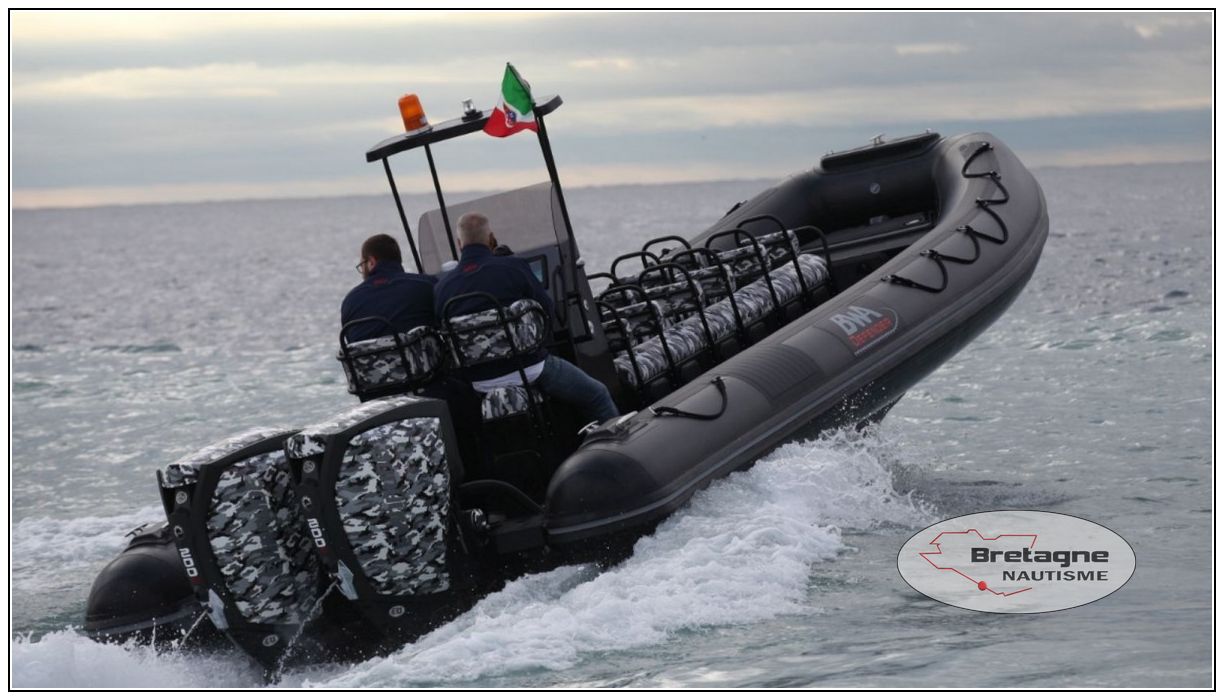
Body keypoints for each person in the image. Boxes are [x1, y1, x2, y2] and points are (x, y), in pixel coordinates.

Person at [435, 212, 619, 425]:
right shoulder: (513, 267)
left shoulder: (442, 288)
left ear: (459, 244)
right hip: (530, 369)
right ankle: (616, 438)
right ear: (491, 238)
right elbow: (546, 310)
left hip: (479, 381)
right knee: (597, 394)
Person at [340, 234, 437, 342]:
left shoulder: (350, 302)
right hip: (421, 352)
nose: (362, 272)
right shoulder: (426, 285)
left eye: (362, 265)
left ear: (371, 262)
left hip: (372, 354)